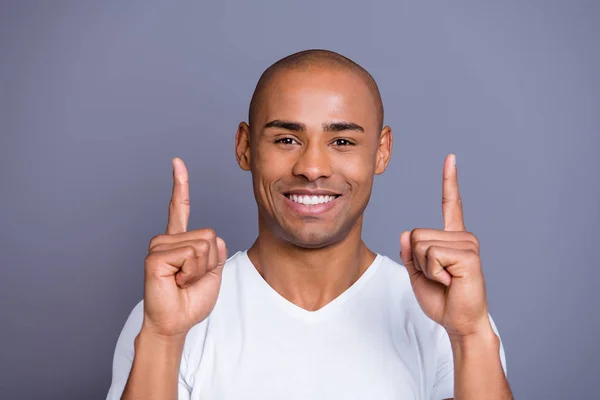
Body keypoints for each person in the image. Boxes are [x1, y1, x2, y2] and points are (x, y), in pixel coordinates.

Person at [106, 49, 513, 400]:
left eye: (342, 142)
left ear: (381, 151)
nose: (312, 168)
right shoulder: (170, 317)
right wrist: (162, 337)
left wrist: (470, 335)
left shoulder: (445, 318)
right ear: (245, 147)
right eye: (286, 139)